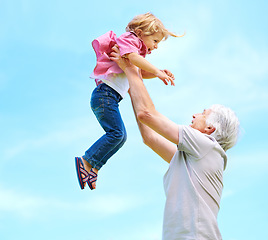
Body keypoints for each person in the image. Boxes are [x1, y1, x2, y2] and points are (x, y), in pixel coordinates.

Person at [110, 46, 240, 240]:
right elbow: (150, 138)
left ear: (210, 130)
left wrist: (131, 69)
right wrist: (132, 85)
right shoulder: (194, 158)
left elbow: (147, 114)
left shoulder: (207, 146)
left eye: (203, 114)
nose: (195, 115)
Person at [75, 12, 181, 190]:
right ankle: (86, 160)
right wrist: (157, 71)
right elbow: (133, 59)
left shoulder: (135, 50)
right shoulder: (128, 40)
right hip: (104, 95)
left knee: (120, 136)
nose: (155, 47)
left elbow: (138, 71)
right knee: (117, 134)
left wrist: (158, 72)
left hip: (110, 98)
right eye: (155, 41)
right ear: (140, 33)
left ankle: (93, 168)